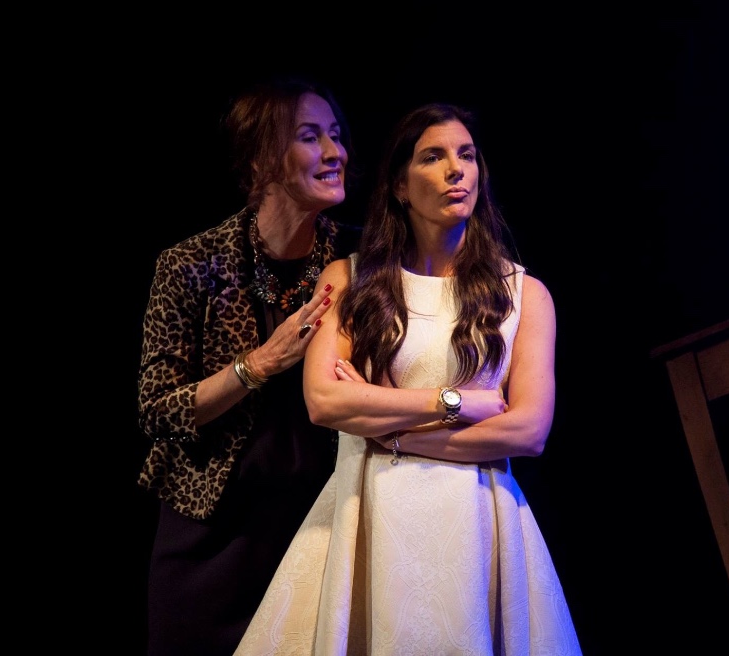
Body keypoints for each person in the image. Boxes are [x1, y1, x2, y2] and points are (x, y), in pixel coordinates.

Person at [234, 102, 582, 655]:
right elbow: (325, 400)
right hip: (371, 510)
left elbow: (528, 430)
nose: (456, 170)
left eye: (466, 155)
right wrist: (458, 403)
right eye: (433, 157)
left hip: (478, 522)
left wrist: (387, 428)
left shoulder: (524, 294)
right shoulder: (349, 280)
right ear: (399, 183)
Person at [136, 75, 363, 656]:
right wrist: (259, 363)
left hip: (320, 525)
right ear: (262, 159)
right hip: (211, 536)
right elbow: (159, 411)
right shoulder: (191, 264)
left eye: (336, 135)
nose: (335, 153)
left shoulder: (360, 261)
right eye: (311, 137)